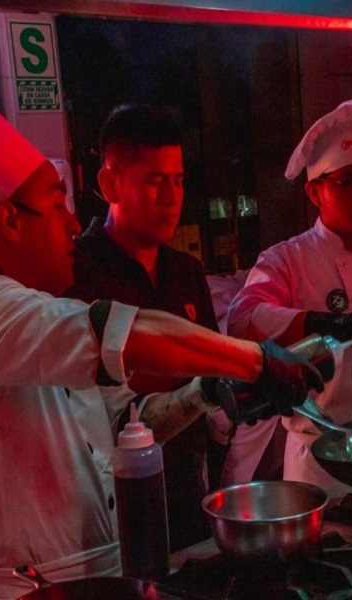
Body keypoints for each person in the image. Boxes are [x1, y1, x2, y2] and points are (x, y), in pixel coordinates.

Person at [0, 60, 322, 599]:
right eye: (54, 206)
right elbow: (126, 332)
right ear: (11, 220)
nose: (71, 222)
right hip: (33, 592)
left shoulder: (33, 314)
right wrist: (253, 358)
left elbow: (131, 431)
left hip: (104, 577)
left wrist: (207, 391)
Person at [226, 98, 352, 497]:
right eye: (346, 181)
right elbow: (242, 317)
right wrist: (319, 323)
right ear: (314, 193)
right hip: (322, 472)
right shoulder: (287, 259)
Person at [66, 104, 229, 552]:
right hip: (111, 520)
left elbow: (212, 371)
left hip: (190, 507)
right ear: (110, 184)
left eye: (177, 181)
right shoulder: (77, 273)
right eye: (155, 182)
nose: (172, 198)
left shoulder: (186, 271)